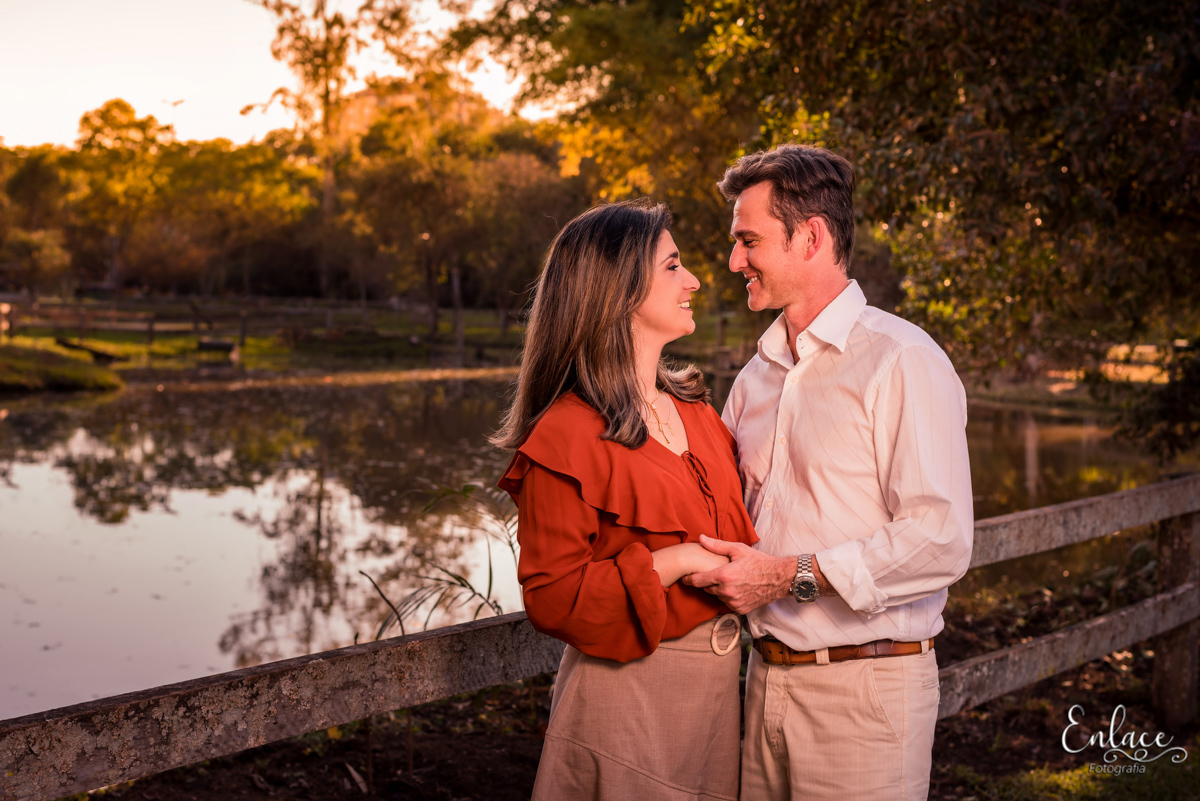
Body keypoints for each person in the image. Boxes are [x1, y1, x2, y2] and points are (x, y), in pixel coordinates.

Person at [685, 145, 974, 801]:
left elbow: (941, 539)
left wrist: (787, 575)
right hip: (762, 685)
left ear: (811, 236)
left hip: (866, 694)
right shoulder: (753, 379)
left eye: (748, 240)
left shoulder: (901, 360)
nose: (733, 262)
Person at [492, 199, 760, 801]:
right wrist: (680, 561)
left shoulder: (698, 412)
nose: (693, 280)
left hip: (719, 698)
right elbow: (552, 598)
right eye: (672, 267)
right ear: (615, 290)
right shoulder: (565, 436)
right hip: (626, 701)